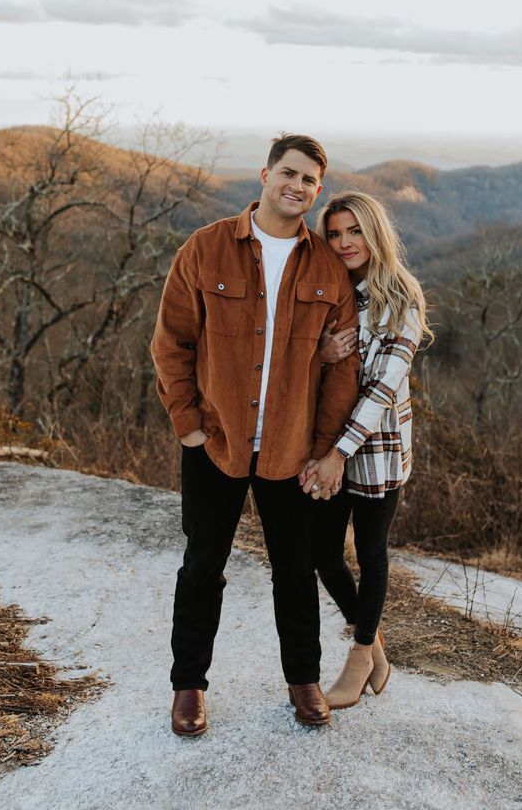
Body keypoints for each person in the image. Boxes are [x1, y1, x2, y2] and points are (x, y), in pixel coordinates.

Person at [150, 134, 360, 735]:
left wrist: (324, 450)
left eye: (309, 181)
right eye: (288, 174)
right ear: (264, 176)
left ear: (317, 191)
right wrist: (188, 425)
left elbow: (342, 370)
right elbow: (172, 343)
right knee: (202, 567)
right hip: (216, 442)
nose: (297, 187)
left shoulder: (326, 266)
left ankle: (304, 681)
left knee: (294, 570)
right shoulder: (207, 248)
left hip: (291, 450)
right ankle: (188, 686)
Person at [299, 190, 432, 709]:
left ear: (374, 232)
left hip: (376, 449)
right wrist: (319, 351)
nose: (344, 242)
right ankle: (374, 644)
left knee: (371, 553)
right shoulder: (330, 291)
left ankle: (357, 658)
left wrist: (338, 454)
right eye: (334, 233)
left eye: (354, 231)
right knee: (323, 554)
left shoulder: (402, 297)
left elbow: (381, 389)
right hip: (331, 442)